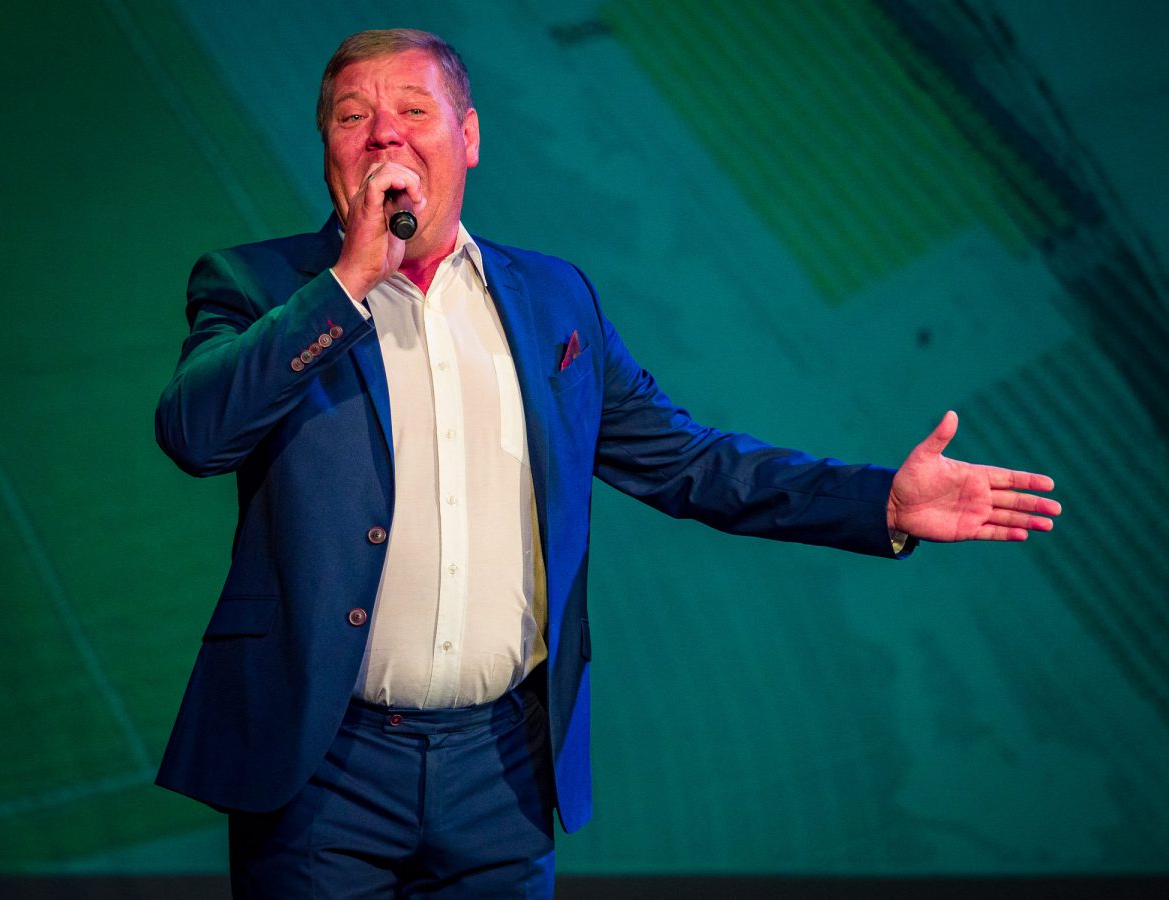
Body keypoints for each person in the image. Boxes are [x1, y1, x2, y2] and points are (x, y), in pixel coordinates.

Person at [154, 28, 1061, 898]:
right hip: (323, 765)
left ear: (470, 138)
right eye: (354, 116)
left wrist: (881, 504)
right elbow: (196, 434)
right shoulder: (259, 290)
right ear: (329, 149)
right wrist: (348, 283)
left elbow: (689, 461)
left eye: (413, 111)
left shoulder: (553, 301)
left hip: (501, 772)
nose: (385, 133)